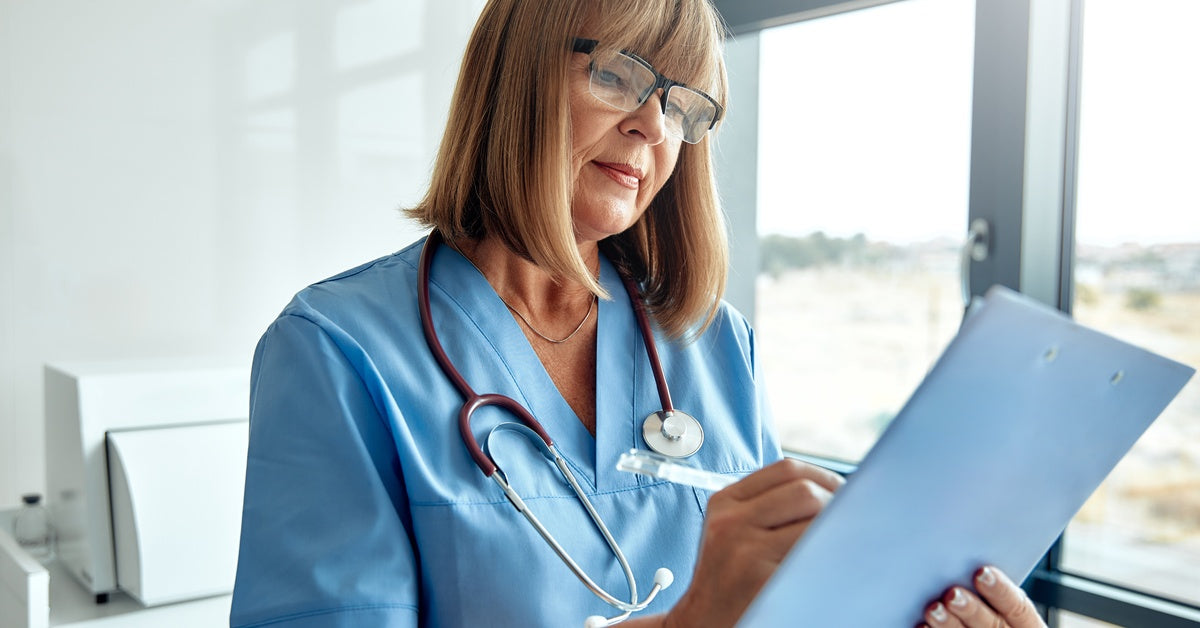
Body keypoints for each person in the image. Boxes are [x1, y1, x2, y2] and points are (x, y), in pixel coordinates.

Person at [230, 0, 1049, 626]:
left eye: (682, 104)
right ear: (516, 76)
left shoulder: (715, 345)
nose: (652, 124)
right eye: (617, 73)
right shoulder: (339, 351)